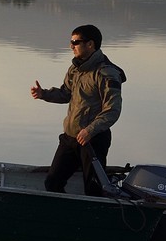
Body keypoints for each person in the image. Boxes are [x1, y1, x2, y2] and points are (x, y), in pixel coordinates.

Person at [30, 24, 125, 196]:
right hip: (70, 138)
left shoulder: (107, 73)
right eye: (71, 42)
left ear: (90, 44)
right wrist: (44, 94)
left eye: (75, 42)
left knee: (93, 189)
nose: (71, 46)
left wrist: (90, 130)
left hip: (93, 140)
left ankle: (93, 219)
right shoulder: (75, 68)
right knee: (52, 182)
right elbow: (66, 94)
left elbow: (112, 110)